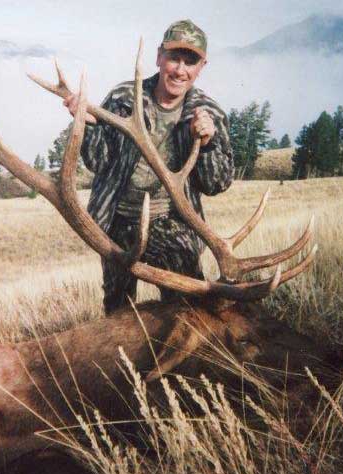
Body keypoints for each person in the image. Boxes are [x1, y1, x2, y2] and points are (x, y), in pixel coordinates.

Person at [64, 20, 234, 314]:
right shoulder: (123, 99)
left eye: (190, 62)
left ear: (202, 67)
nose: (180, 70)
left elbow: (216, 184)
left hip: (170, 220)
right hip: (116, 220)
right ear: (159, 57)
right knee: (119, 310)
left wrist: (207, 143)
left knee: (187, 305)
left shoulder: (210, 113)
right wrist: (88, 126)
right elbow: (98, 162)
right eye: (173, 58)